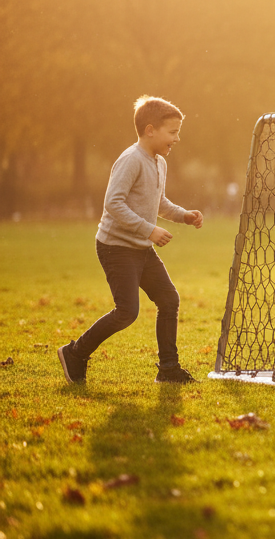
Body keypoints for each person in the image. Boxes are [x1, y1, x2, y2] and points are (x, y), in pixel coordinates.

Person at [57, 96, 203, 386]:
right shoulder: (131, 159)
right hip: (116, 248)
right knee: (127, 312)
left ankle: (168, 369)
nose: (177, 138)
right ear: (150, 130)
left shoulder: (159, 162)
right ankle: (74, 353)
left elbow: (157, 201)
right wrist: (149, 230)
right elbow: (113, 203)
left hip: (140, 248)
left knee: (168, 299)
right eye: (172, 132)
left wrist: (183, 215)